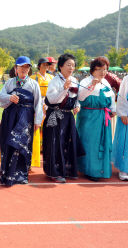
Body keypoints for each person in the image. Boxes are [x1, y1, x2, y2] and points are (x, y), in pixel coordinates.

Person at [0, 56, 43, 186]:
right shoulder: (10, 82)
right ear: (15, 68)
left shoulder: (33, 84)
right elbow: (1, 97)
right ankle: (7, 174)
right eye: (21, 66)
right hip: (10, 118)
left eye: (27, 67)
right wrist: (9, 97)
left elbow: (38, 103)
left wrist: (37, 121)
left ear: (29, 69)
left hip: (26, 119)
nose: (24, 69)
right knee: (9, 144)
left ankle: (21, 175)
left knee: (23, 145)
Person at [43, 53, 85, 183]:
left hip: (68, 116)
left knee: (68, 141)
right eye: (68, 65)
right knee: (55, 143)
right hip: (55, 115)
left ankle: (67, 170)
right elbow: (52, 99)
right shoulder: (54, 81)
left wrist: (77, 105)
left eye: (73, 65)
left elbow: (76, 97)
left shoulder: (75, 80)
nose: (71, 68)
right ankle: (54, 172)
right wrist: (64, 89)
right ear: (60, 66)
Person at [77, 57, 116, 181]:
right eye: (100, 69)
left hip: (103, 118)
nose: (103, 72)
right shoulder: (85, 81)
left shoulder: (106, 82)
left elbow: (111, 96)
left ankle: (100, 169)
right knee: (90, 144)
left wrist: (113, 109)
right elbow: (80, 98)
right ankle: (89, 170)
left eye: (105, 69)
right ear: (93, 69)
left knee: (103, 143)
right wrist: (91, 86)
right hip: (89, 118)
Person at [30, 58, 55, 168]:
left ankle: (45, 146)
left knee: (48, 126)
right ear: (39, 66)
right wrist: (40, 104)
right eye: (44, 65)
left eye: (47, 65)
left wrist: (48, 103)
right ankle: (37, 149)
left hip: (49, 103)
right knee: (37, 125)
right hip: (38, 103)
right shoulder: (34, 78)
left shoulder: (51, 78)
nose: (46, 67)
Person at [112, 75, 128, 180]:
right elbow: (122, 96)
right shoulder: (127, 79)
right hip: (127, 115)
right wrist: (122, 113)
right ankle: (124, 169)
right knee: (125, 142)